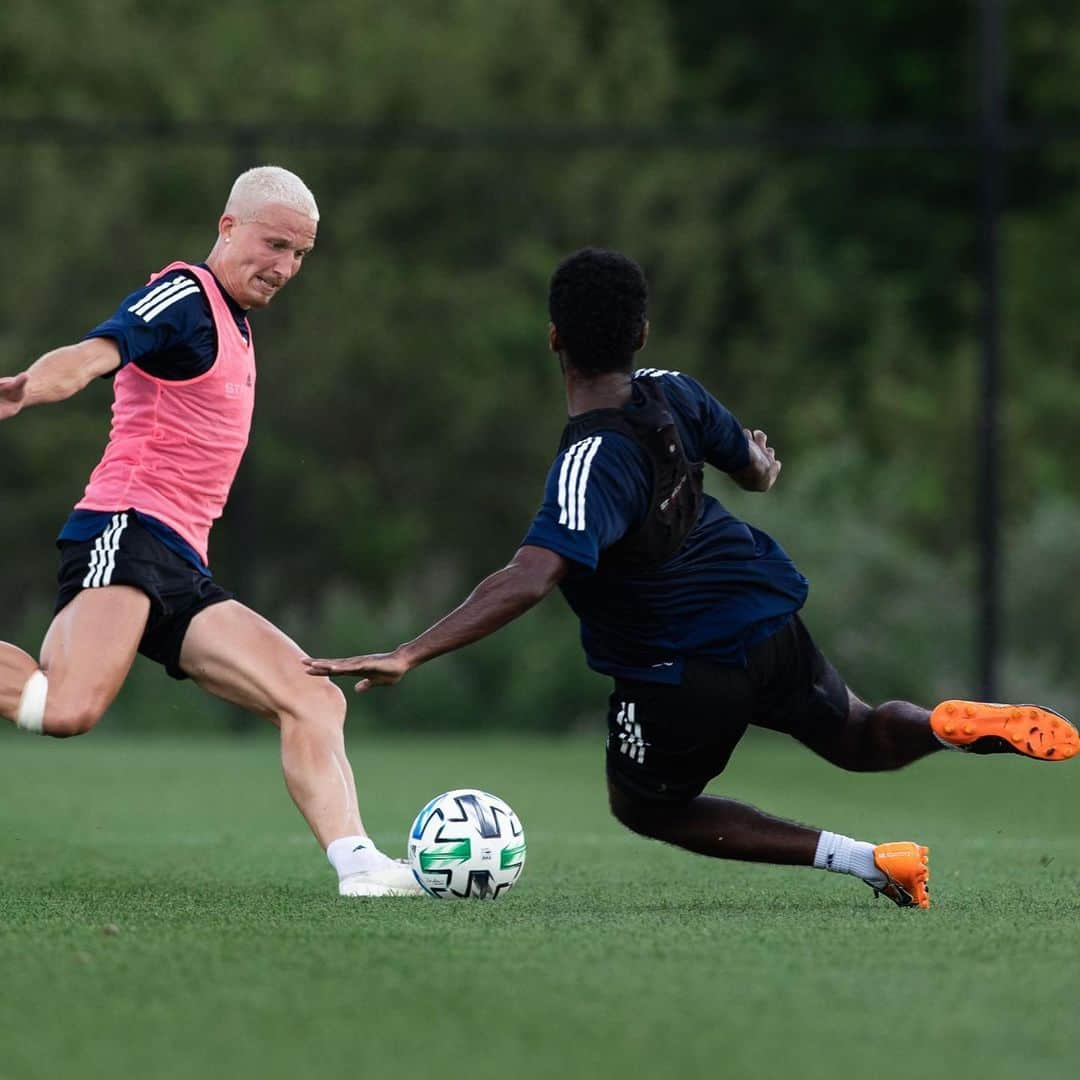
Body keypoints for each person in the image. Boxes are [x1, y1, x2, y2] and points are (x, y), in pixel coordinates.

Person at [304, 246, 1077, 910]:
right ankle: (941, 725)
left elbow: (531, 575)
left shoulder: (589, 461)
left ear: (553, 339)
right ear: (641, 333)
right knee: (860, 735)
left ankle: (870, 861)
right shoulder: (675, 391)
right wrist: (765, 467)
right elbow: (754, 467)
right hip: (762, 614)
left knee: (645, 805)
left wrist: (410, 651)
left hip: (681, 667)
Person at [0, 166, 420, 898]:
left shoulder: (235, 322)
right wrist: (28, 386)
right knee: (63, 709)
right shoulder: (186, 296)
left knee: (315, 697)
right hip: (126, 531)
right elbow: (95, 353)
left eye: (300, 254)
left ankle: (362, 870)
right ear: (228, 228)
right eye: (274, 244)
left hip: (179, 563)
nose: (285, 266)